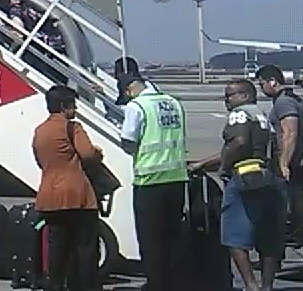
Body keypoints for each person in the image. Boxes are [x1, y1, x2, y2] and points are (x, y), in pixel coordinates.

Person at [190, 79, 287, 291]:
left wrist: (223, 167)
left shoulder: (240, 113)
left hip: (244, 180)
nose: (226, 100)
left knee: (233, 235)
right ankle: (267, 286)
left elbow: (239, 144)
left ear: (244, 96)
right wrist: (205, 162)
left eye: (230, 95)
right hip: (269, 179)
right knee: (268, 237)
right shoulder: (262, 116)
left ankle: (250, 285)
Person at [120, 75, 189, 290]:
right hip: (177, 179)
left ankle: (156, 284)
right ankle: (174, 282)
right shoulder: (173, 102)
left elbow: (128, 141)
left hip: (149, 182)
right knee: (173, 237)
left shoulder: (137, 105)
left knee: (151, 240)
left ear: (129, 90)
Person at [256, 65, 303, 281]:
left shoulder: (284, 102)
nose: (261, 88)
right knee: (284, 215)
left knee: (296, 216)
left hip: (290, 167)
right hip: (296, 165)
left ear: (272, 81)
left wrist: (283, 163)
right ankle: (274, 259)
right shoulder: (292, 99)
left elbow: (290, 132)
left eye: (262, 84)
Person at [33, 84, 104, 291]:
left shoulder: (40, 131)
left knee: (57, 248)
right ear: (64, 106)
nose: (76, 110)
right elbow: (88, 154)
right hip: (77, 195)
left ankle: (54, 285)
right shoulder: (73, 127)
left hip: (49, 196)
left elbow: (40, 160)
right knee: (85, 248)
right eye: (73, 105)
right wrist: (98, 152)